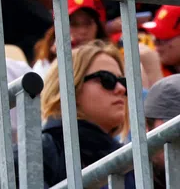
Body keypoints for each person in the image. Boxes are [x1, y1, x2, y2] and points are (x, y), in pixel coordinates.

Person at [41, 41, 130, 189]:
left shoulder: (130, 158)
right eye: (107, 79)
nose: (120, 89)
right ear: (71, 87)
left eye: (122, 81)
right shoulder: (39, 152)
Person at [31, 0, 109, 76]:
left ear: (97, 27)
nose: (82, 31)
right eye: (73, 24)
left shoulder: (110, 60)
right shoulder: (45, 64)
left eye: (88, 23)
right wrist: (62, 61)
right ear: (58, 28)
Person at [142, 9, 180, 79]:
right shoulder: (148, 64)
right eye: (154, 36)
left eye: (163, 38)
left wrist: (153, 74)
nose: (155, 43)